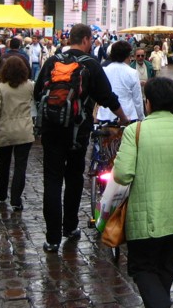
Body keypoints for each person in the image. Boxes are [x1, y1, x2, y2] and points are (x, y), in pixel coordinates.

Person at [113, 77, 173, 308]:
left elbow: (122, 175)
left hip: (147, 216)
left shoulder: (135, 131)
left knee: (143, 268)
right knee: (166, 266)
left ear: (148, 103)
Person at [34, 24, 127, 252]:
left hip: (51, 128)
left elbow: (37, 92)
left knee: (52, 180)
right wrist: (124, 119)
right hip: (77, 131)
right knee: (74, 177)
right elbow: (108, 98)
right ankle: (71, 226)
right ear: (86, 39)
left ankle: (52, 238)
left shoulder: (52, 61)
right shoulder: (90, 65)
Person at [0, 56, 35, 211]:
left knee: (4, 163)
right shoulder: (30, 86)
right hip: (24, 130)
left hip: (5, 130)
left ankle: (1, 192)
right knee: (20, 166)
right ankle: (16, 198)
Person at [98, 40, 144, 122]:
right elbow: (137, 99)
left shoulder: (104, 70)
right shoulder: (132, 72)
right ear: (128, 55)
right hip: (128, 115)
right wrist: (141, 117)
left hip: (105, 115)